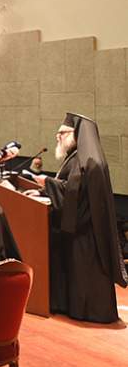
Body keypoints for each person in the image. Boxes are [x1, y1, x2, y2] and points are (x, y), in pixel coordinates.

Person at [36, 113, 127, 323]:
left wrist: (47, 183)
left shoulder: (89, 160)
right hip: (82, 231)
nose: (57, 136)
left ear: (76, 134)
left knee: (85, 274)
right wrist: (46, 187)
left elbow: (75, 193)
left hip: (86, 234)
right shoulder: (78, 157)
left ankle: (88, 312)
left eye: (62, 133)